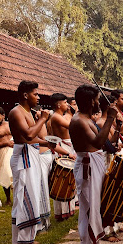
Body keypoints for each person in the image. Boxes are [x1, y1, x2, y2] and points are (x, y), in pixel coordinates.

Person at [69, 84, 118, 244]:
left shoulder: (87, 118)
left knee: (94, 211)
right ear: (90, 101)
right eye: (97, 99)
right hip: (88, 168)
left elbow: (104, 142)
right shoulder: (79, 121)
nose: (99, 102)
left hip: (93, 165)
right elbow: (98, 142)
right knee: (89, 214)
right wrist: (111, 117)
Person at [8, 80, 52, 244]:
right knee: (22, 199)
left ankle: (28, 239)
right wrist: (42, 119)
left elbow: (34, 138)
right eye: (36, 94)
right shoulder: (15, 112)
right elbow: (27, 135)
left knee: (32, 198)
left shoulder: (28, 112)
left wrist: (47, 142)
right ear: (25, 95)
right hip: (23, 158)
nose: (38, 97)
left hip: (31, 154)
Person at [50, 93, 77, 221]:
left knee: (69, 180)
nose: (67, 105)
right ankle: (62, 213)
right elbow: (73, 126)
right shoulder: (56, 117)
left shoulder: (61, 116)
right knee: (63, 180)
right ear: (59, 105)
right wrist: (78, 113)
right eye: (65, 102)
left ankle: (69, 210)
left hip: (68, 146)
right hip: (63, 148)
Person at [0, 107, 14, 204]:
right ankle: (8, 199)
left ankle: (18, 197)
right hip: (2, 152)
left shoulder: (10, 124)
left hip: (13, 150)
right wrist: (6, 144)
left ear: (3, 116)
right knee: (5, 174)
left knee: (12, 173)